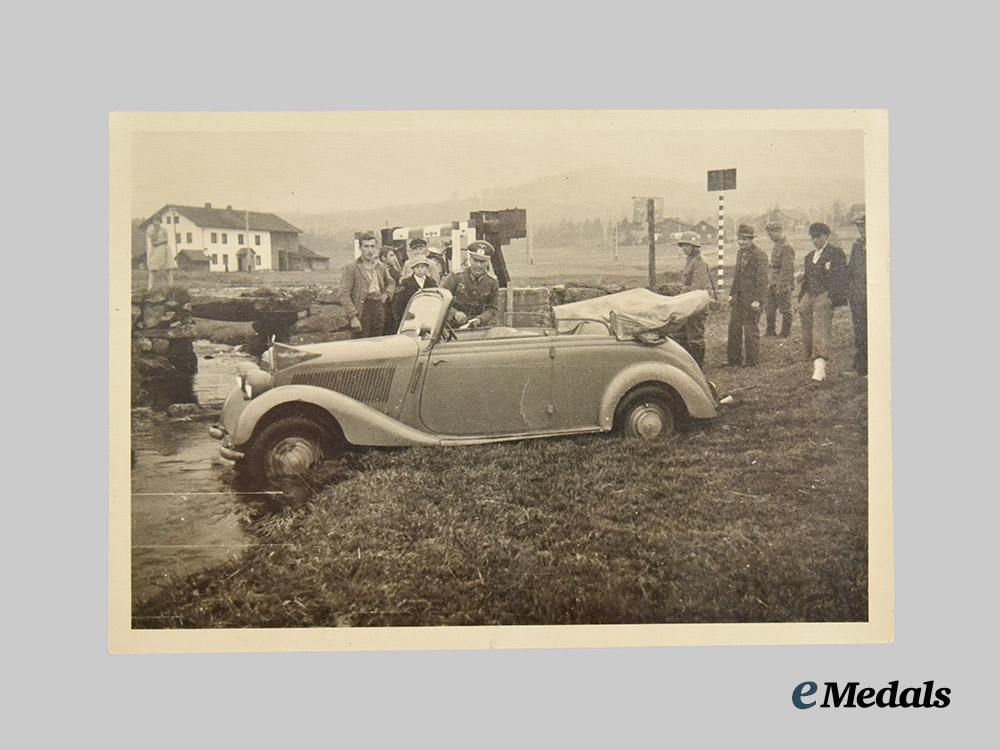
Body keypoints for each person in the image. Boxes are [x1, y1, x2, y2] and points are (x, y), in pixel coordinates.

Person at [799, 222, 848, 382]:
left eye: (819, 236)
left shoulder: (835, 253)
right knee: (804, 312)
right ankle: (810, 354)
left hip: (825, 294)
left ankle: (820, 365)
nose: (815, 240)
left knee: (820, 324)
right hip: (810, 293)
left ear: (826, 236)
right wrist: (802, 295)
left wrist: (832, 297)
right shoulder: (809, 256)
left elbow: (841, 277)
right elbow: (807, 279)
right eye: (813, 237)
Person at [726, 225, 769, 367]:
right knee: (734, 328)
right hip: (738, 298)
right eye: (739, 238)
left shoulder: (760, 255)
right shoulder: (740, 253)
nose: (741, 242)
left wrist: (757, 300)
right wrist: (732, 294)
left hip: (752, 300)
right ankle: (734, 360)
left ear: (751, 239)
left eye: (744, 239)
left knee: (750, 330)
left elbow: (762, 280)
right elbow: (737, 276)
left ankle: (752, 362)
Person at [341, 232, 395, 338]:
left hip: (378, 308)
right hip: (362, 310)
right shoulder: (351, 267)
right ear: (360, 248)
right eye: (366, 246)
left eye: (372, 246)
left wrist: (386, 294)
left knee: (378, 340)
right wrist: (353, 316)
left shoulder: (380, 266)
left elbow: (391, 282)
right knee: (362, 345)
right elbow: (343, 294)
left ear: (376, 248)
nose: (369, 250)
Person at [676, 231, 715, 368]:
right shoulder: (691, 260)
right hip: (688, 302)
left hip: (696, 303)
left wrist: (686, 302)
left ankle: (698, 367)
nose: (684, 248)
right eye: (683, 245)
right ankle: (691, 366)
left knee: (696, 335)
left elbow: (697, 288)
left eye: (687, 245)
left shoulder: (700, 263)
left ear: (695, 246)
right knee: (687, 333)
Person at [441, 240, 499, 328]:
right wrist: (454, 313)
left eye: (482, 262)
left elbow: (492, 308)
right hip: (452, 327)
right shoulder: (456, 277)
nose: (478, 265)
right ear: (470, 259)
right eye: (475, 260)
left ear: (487, 262)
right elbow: (441, 299)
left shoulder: (492, 281)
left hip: (478, 327)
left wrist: (480, 319)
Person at [764, 220, 796, 337]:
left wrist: (781, 285)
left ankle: (785, 333)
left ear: (779, 231)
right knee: (770, 307)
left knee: (785, 309)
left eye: (771, 234)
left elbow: (787, 269)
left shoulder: (787, 247)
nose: (770, 237)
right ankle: (770, 331)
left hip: (782, 283)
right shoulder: (777, 244)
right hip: (772, 281)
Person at [847, 209, 867, 376]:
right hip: (859, 297)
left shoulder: (883, 244)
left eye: (864, 226)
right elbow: (851, 270)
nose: (861, 230)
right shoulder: (857, 246)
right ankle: (861, 367)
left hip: (876, 297)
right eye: (859, 226)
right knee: (860, 332)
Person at [393, 254, 439, 325]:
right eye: (417, 267)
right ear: (413, 269)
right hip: (411, 318)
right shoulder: (406, 283)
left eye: (422, 267)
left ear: (427, 268)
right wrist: (401, 320)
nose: (420, 269)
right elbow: (398, 303)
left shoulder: (431, 282)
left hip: (428, 317)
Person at [145, 215, 176, 291]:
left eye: (158, 221)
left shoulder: (164, 229)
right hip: (156, 251)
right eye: (154, 221)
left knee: (168, 268)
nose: (156, 222)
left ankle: (171, 287)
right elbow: (153, 241)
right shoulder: (151, 230)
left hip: (165, 249)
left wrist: (159, 242)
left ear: (160, 221)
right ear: (152, 222)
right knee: (153, 269)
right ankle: (150, 288)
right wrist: (155, 231)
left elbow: (166, 240)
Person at [379, 246, 403, 335]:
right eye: (391, 256)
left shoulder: (395, 273)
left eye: (395, 255)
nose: (395, 258)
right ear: (383, 258)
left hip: (392, 308)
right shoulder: (377, 271)